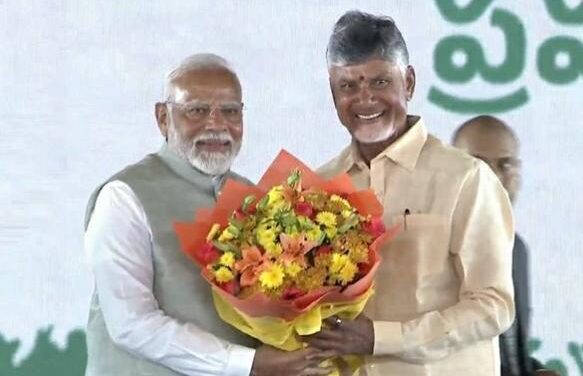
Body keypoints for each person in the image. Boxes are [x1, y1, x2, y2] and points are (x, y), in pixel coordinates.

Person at [84, 53, 332, 376]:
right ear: (162, 118)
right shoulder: (124, 196)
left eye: (230, 111)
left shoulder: (255, 199)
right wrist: (249, 364)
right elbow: (131, 325)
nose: (216, 124)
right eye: (197, 110)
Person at [307, 11, 515, 375]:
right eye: (348, 86)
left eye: (380, 81)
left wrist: (382, 338)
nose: (365, 99)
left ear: (410, 82)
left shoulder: (465, 178)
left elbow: (493, 306)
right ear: (332, 92)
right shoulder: (317, 187)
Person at [453, 115, 558, 376]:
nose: (495, 177)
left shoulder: (517, 249)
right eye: (480, 164)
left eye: (505, 164)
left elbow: (506, 354)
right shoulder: (431, 248)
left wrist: (534, 371)